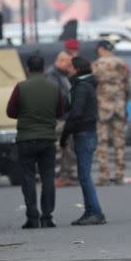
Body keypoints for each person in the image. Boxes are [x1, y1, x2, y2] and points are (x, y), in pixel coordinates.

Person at [6, 54, 65, 229]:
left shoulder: (21, 87)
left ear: (28, 69)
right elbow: (60, 111)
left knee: (28, 177)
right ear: (45, 68)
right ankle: (47, 217)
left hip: (26, 139)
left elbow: (10, 111)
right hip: (47, 138)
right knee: (48, 177)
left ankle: (32, 217)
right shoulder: (54, 87)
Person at [61, 57, 106, 226]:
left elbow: (76, 112)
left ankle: (95, 212)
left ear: (77, 69)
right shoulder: (83, 85)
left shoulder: (81, 87)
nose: (67, 69)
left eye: (70, 66)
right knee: (83, 175)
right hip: (87, 133)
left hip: (84, 134)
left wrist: (65, 134)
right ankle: (90, 211)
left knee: (85, 176)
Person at [92, 39, 131, 186]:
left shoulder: (96, 65)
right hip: (119, 106)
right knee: (119, 141)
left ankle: (104, 174)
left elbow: (90, 84)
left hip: (103, 107)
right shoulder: (122, 64)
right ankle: (120, 173)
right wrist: (123, 100)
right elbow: (127, 86)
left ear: (101, 49)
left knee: (102, 141)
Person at [46, 51, 75, 187]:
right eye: (68, 63)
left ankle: (66, 174)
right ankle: (57, 176)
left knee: (67, 148)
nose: (70, 66)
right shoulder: (52, 75)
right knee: (58, 148)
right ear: (61, 61)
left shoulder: (63, 75)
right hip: (58, 118)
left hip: (66, 117)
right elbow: (59, 95)